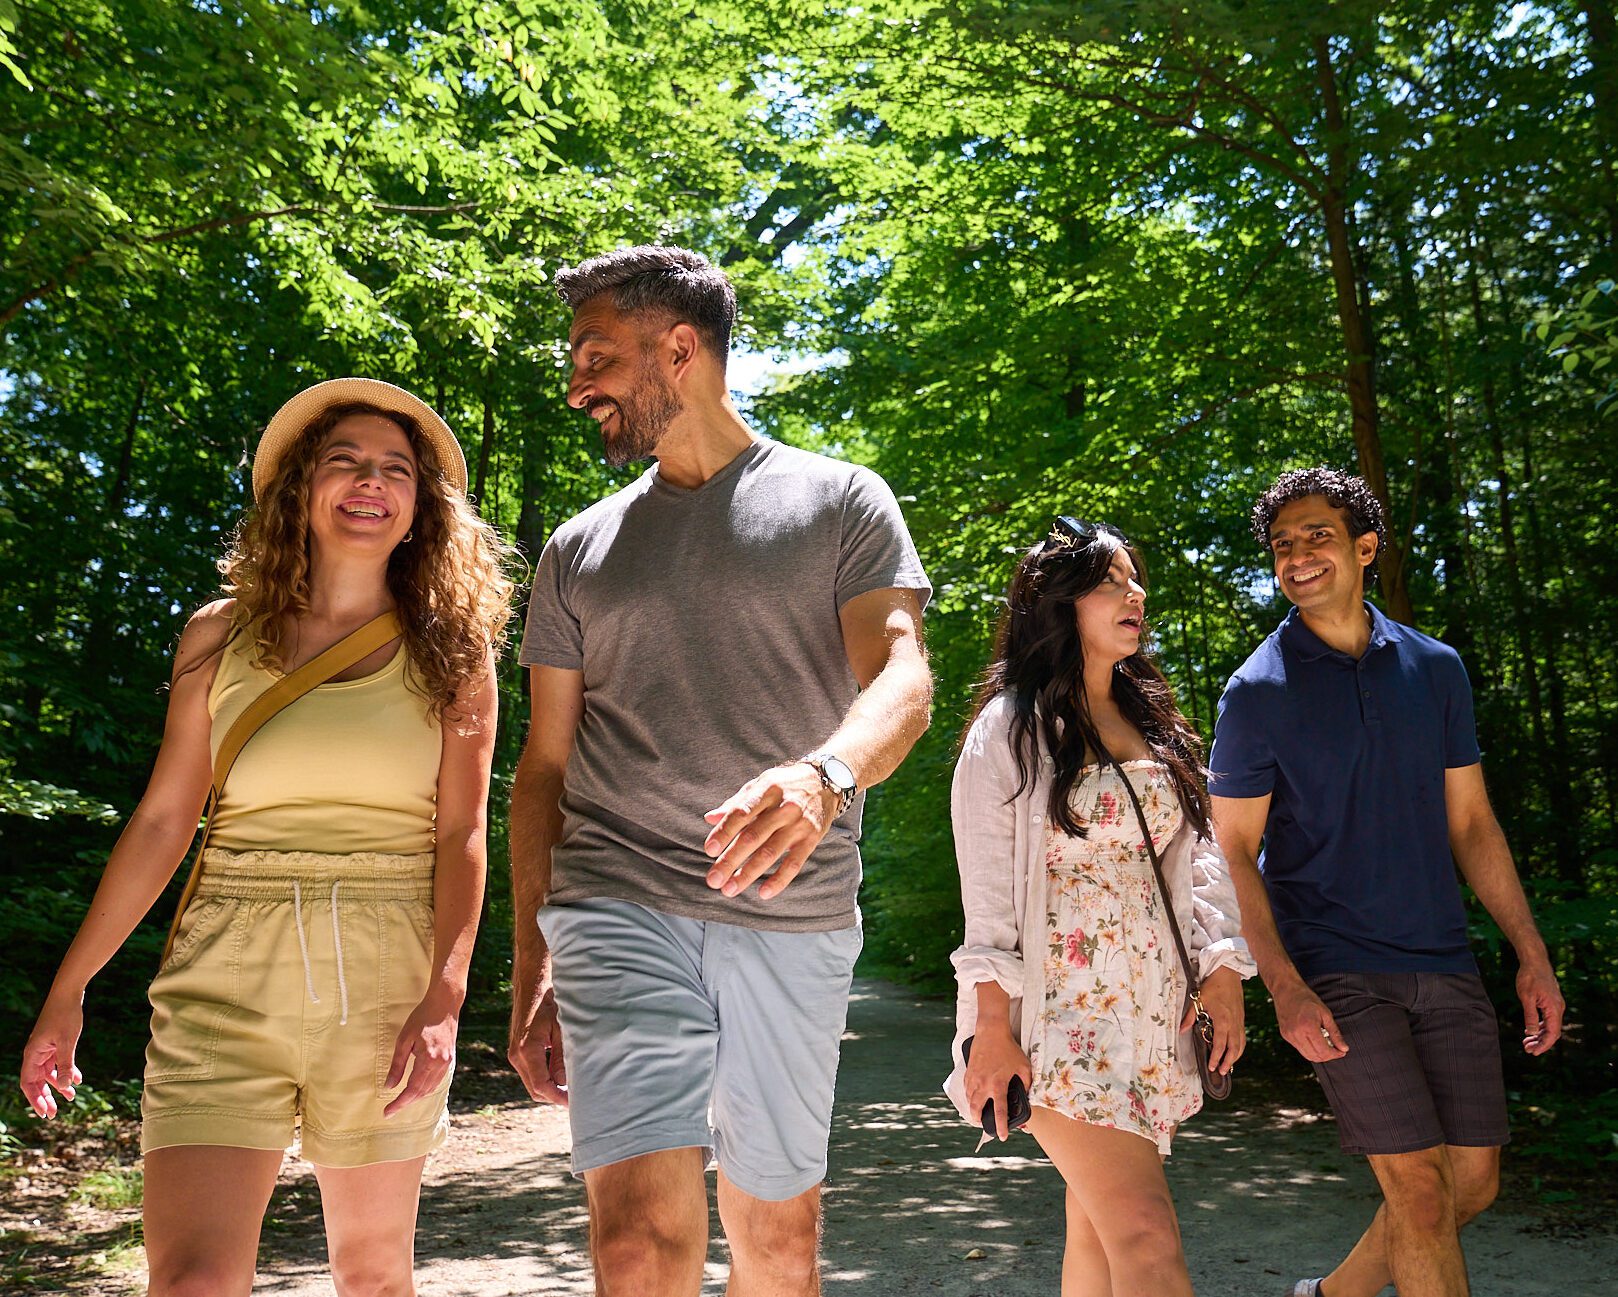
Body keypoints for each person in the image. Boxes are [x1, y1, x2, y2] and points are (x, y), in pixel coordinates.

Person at [19, 378, 513, 1296]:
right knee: (193, 1278)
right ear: (301, 489)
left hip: (384, 964)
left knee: (371, 1275)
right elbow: (167, 818)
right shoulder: (218, 634)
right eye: (346, 462)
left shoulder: (452, 646)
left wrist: (444, 998)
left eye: (396, 470)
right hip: (226, 961)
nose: (371, 483)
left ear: (420, 506)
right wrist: (69, 986)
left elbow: (461, 830)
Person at [505, 244, 933, 1297]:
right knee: (638, 1246)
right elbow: (544, 769)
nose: (576, 386)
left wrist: (824, 774)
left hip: (790, 911)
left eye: (595, 356)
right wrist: (532, 963)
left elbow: (906, 681)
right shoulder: (577, 548)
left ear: (681, 347)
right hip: (617, 900)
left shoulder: (840, 501)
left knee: (777, 1247)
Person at [1207, 466, 1565, 1297]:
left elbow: (1472, 823)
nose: (1297, 556)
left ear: (1366, 547)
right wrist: (1285, 988)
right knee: (1420, 1195)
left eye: (1317, 536)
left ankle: (1328, 1296)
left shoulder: (1435, 669)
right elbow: (1232, 851)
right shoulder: (1256, 691)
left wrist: (1530, 953)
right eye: (1282, 545)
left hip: (1442, 956)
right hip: (1336, 967)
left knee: (1469, 1185)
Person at [946, 516, 1254, 1297]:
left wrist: (1222, 966)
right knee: (1147, 1235)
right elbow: (986, 900)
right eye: (1111, 581)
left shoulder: (1155, 719)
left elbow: (1204, 853)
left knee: (1098, 1232)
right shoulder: (1011, 728)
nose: (1135, 593)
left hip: (1151, 1017)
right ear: (1061, 603)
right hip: (1058, 1026)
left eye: (1135, 578)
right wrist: (989, 1027)